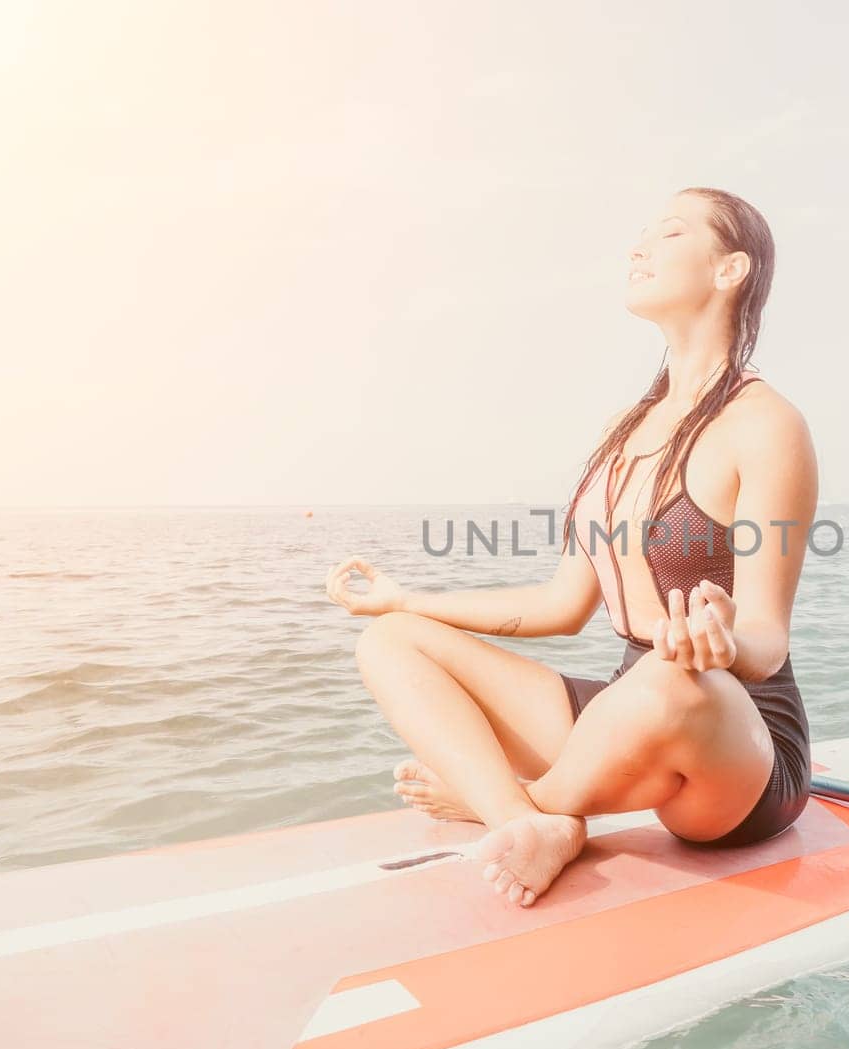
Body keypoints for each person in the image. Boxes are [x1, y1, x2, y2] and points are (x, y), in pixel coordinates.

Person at [324, 188, 818, 908]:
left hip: (736, 746)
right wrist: (403, 599)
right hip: (627, 714)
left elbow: (766, 639)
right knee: (392, 643)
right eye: (641, 234)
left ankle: (515, 799)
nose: (638, 248)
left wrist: (721, 644)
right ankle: (530, 823)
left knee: (669, 678)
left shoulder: (766, 424)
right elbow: (561, 604)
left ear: (730, 269)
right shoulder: (627, 429)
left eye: (670, 232)